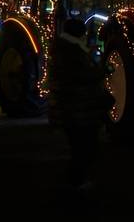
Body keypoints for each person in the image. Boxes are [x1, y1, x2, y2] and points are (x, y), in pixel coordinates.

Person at [48, 19, 112, 191]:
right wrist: (101, 71)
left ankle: (76, 180)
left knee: (81, 147)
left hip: (72, 110)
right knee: (84, 147)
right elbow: (81, 77)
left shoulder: (63, 48)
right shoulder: (72, 52)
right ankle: (76, 182)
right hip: (78, 110)